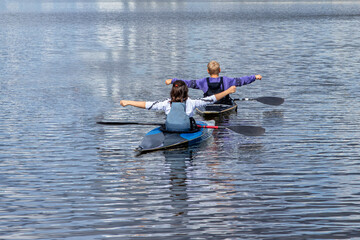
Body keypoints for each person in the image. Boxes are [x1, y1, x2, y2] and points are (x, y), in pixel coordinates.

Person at [120, 80, 237, 132]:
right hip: (187, 129)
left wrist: (129, 102)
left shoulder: (166, 103)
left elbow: (147, 105)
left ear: (172, 92)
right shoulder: (192, 102)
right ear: (186, 91)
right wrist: (227, 91)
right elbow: (211, 99)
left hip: (170, 129)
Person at [165, 60, 262, 105]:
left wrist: (172, 81)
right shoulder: (227, 80)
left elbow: (187, 83)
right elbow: (242, 80)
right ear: (219, 70)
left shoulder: (203, 81)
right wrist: (255, 77)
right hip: (223, 104)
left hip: (209, 105)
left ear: (208, 71)